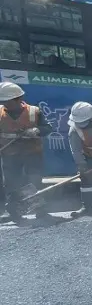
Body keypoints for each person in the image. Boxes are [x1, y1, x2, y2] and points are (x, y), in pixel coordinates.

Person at [0, 82, 51, 223]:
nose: (4, 104)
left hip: (32, 153)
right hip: (10, 154)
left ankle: (40, 211)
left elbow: (47, 128)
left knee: (34, 181)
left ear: (18, 99)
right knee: (11, 182)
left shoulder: (34, 111)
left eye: (7, 101)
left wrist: (36, 131)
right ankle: (12, 211)